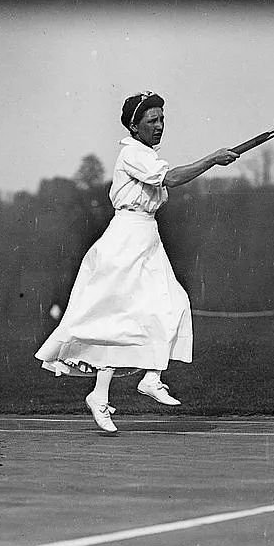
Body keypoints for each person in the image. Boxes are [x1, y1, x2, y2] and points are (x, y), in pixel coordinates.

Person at [35, 91, 239, 432]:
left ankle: (147, 379)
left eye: (162, 120)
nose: (159, 126)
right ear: (134, 125)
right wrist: (212, 159)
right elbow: (171, 178)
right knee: (119, 320)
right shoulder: (133, 154)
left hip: (147, 238)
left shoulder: (146, 155)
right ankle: (103, 395)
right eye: (151, 121)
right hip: (125, 240)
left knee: (173, 304)